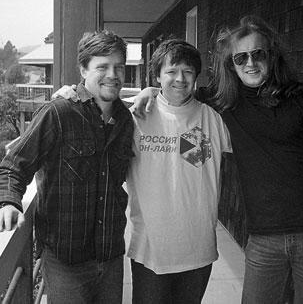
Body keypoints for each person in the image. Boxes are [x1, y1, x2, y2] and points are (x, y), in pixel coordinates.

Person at [134, 16, 303, 303]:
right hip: (263, 236)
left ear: (271, 56)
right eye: (240, 57)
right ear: (231, 64)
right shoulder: (227, 103)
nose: (250, 63)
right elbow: (173, 94)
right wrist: (149, 91)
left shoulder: (301, 97)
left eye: (258, 54)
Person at [54, 40, 232, 303]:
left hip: (198, 249)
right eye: (171, 71)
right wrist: (70, 95)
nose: (180, 79)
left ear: (196, 76)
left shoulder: (213, 119)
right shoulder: (135, 116)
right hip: (150, 250)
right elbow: (95, 111)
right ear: (157, 76)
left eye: (188, 71)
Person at [0, 30, 135, 304]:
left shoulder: (126, 119)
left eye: (119, 67)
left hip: (111, 256)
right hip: (66, 263)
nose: (112, 75)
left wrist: (151, 92)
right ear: (83, 70)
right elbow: (13, 167)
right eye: (102, 67)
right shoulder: (59, 113)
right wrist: (7, 203)